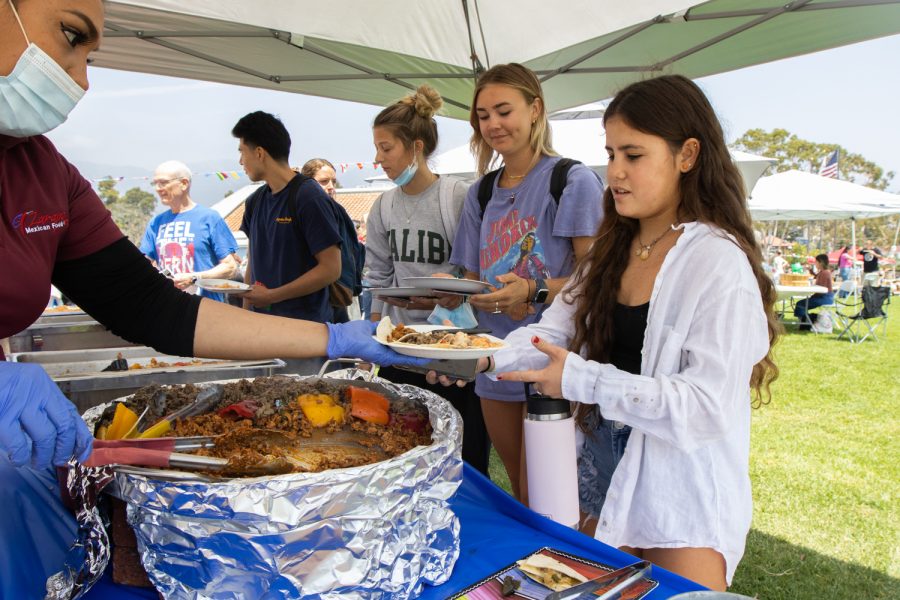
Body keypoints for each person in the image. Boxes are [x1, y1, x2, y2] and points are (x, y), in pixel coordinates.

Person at [0, 2, 425, 596]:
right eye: (71, 36)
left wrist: (330, 337)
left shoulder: (44, 172)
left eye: (91, 55)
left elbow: (152, 306)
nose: (81, 78)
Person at [435, 74, 778, 590]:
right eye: (611, 153)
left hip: (680, 491)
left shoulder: (716, 262)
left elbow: (704, 406)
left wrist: (581, 379)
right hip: (597, 478)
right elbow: (548, 334)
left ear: (687, 155)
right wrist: (476, 356)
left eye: (633, 156)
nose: (614, 172)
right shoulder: (609, 252)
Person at [449, 63, 604, 501]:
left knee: (553, 493)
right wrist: (445, 290)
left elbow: (595, 282)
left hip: (553, 360)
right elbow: (471, 277)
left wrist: (533, 290)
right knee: (520, 489)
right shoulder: (481, 191)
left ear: (535, 109)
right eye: (483, 115)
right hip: (494, 358)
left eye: (504, 110)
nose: (493, 124)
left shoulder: (571, 180)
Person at [363, 84, 491, 475]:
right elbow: (378, 278)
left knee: (465, 464)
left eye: (386, 148)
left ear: (416, 147)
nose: (378, 158)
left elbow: (477, 272)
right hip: (402, 351)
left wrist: (446, 291)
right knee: (402, 460)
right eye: (378, 148)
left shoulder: (456, 196)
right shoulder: (383, 205)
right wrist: (371, 341)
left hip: (454, 351)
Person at [139, 160, 239, 303]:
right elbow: (143, 265)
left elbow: (230, 267)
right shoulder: (156, 223)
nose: (158, 188)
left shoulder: (209, 218)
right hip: (168, 308)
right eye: (155, 183)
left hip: (206, 309)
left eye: (163, 182)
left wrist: (193, 278)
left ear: (184, 183)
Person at [300, 158, 365, 323]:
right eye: (323, 181)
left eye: (333, 181)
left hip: (339, 290)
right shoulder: (304, 212)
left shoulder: (336, 210)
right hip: (313, 296)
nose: (330, 186)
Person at [794, 253, 834, 329]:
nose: (815, 263)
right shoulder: (824, 272)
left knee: (800, 304)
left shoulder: (825, 273)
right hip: (824, 297)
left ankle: (805, 324)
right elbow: (817, 277)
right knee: (802, 303)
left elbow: (821, 289)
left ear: (820, 262)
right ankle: (805, 322)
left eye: (816, 262)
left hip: (825, 298)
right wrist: (810, 270)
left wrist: (812, 295)